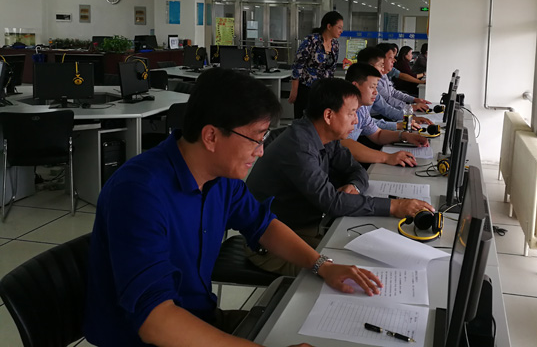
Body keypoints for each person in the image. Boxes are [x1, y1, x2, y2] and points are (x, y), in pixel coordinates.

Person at [84, 69, 381, 347]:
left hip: (201, 318)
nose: (261, 151)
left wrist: (322, 266)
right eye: (256, 138)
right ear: (211, 136)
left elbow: (263, 225)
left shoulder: (221, 177)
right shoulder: (139, 192)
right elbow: (155, 322)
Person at [246, 78, 434, 275]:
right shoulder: (299, 147)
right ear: (328, 115)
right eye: (351, 113)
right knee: (355, 270)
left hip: (307, 227)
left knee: (371, 255)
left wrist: (355, 186)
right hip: (273, 245)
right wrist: (395, 206)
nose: (356, 120)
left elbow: (356, 170)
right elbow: (332, 202)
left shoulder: (326, 137)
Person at [342, 63, 429, 167]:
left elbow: (377, 134)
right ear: (355, 86)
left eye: (376, 87)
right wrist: (387, 157)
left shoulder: (362, 109)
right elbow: (345, 145)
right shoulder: (340, 108)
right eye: (372, 87)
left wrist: (404, 136)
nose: (375, 92)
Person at [355, 46, 433, 131]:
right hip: (377, 119)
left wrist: (409, 117)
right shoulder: (358, 96)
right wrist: (399, 124)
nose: (394, 60)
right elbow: (367, 123)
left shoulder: (380, 78)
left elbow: (386, 107)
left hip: (378, 121)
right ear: (370, 67)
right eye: (381, 65)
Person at [289, 11, 344, 119]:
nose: (341, 31)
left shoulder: (335, 45)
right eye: (339, 27)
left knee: (319, 120)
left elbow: (331, 70)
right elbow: (297, 66)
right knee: (304, 120)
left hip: (324, 91)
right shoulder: (311, 40)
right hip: (307, 89)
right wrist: (294, 90)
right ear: (329, 26)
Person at [375, 43, 430, 112]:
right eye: (391, 57)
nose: (394, 60)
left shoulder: (384, 74)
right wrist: (410, 107)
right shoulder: (375, 78)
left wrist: (414, 100)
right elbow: (387, 100)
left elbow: (393, 92)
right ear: (380, 60)